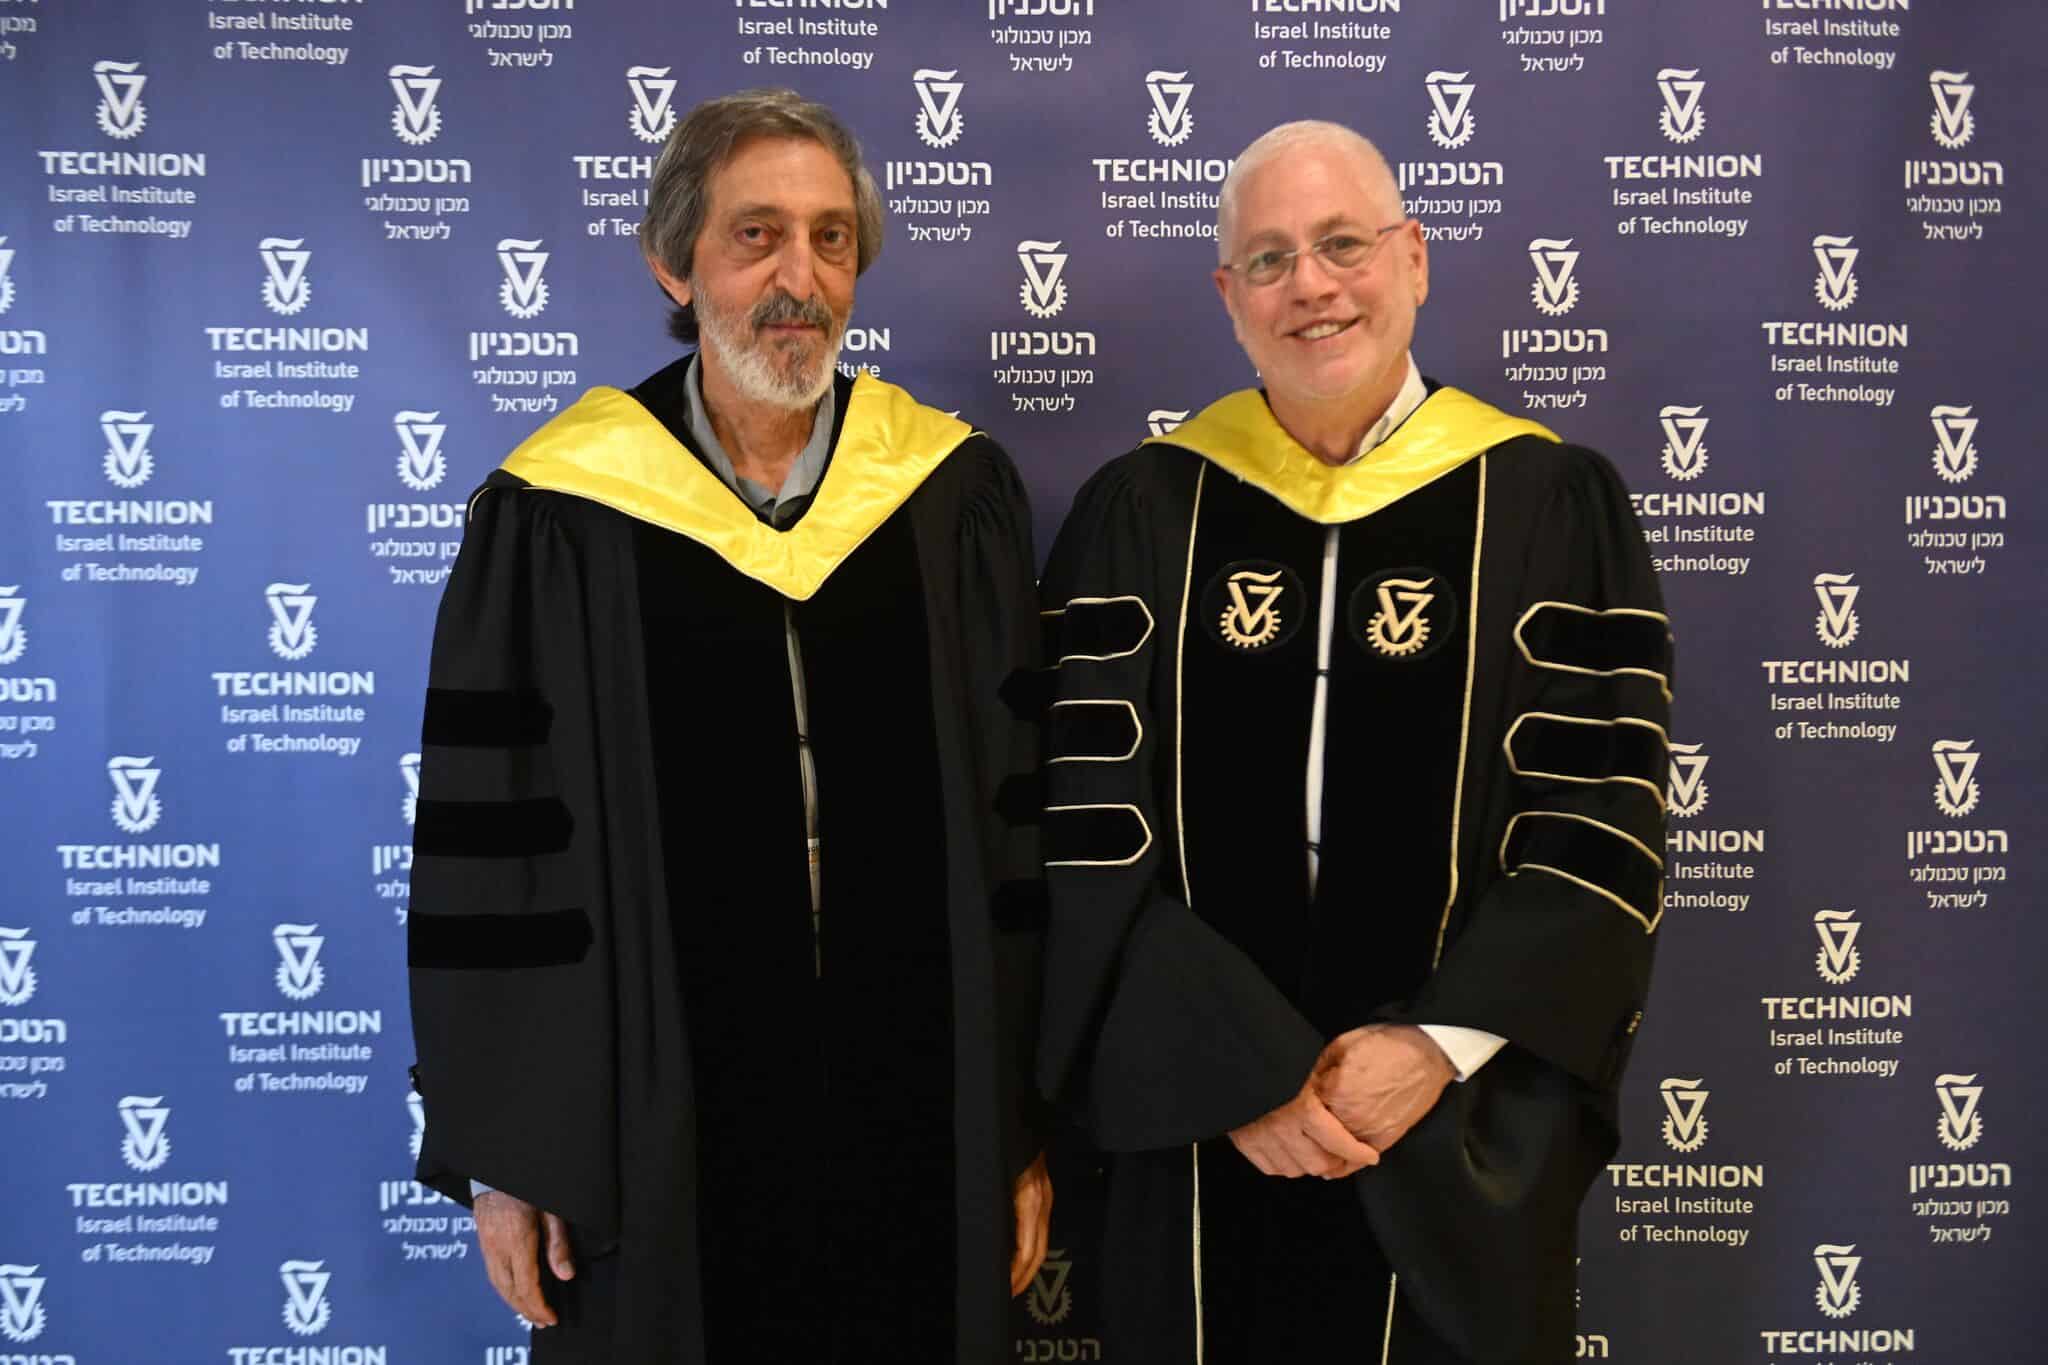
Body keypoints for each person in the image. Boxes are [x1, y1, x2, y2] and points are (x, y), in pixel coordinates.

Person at [406, 88, 1050, 1364]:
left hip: (917, 1111)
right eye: (755, 235)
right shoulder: (561, 514)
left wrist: (1015, 1121)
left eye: (827, 238)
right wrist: (508, 1151)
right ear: (673, 258)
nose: (794, 278)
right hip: (653, 1128)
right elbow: (493, 858)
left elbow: (1017, 829)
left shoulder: (947, 496)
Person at [1034, 120, 1671, 1365]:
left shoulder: (1547, 503)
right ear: (1227, 296)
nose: (1310, 286)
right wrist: (1235, 1067)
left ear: (1413, 258)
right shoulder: (1143, 508)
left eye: (1341, 245)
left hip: (1457, 1124)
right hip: (1203, 1126)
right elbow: (1079, 817)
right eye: (1267, 260)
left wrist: (1432, 1048)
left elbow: (1600, 814)